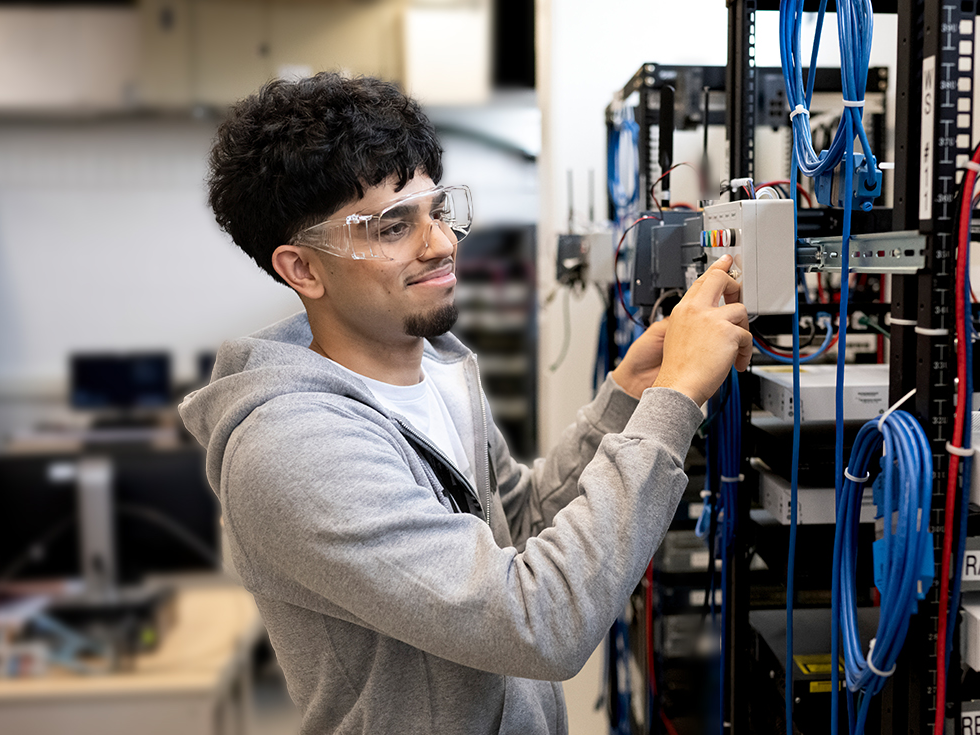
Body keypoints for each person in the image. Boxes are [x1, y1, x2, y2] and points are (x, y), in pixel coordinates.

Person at [181, 73, 751, 735]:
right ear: (303, 269)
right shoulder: (291, 449)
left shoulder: (439, 365)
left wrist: (630, 392)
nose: (443, 245)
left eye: (438, 210)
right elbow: (539, 620)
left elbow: (518, 524)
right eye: (393, 226)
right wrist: (676, 398)